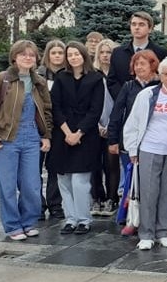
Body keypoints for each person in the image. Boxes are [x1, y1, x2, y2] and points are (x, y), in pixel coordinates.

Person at [0, 40, 52, 241]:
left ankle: (28, 222)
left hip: (31, 138)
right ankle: (12, 226)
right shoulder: (0, 80)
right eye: (23, 54)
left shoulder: (39, 82)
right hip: (6, 140)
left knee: (32, 185)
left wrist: (46, 135)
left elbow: (46, 111)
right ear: (14, 57)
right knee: (7, 186)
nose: (27, 58)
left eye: (31, 55)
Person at [122, 57, 167, 250]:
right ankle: (146, 234)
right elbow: (132, 123)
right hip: (149, 149)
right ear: (160, 75)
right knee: (149, 193)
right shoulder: (147, 95)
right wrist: (132, 149)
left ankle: (163, 231)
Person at [48, 41, 105, 235]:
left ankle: (83, 219)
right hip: (62, 134)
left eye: (76, 54)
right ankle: (70, 218)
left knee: (80, 182)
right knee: (64, 180)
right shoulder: (61, 77)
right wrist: (67, 133)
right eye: (70, 54)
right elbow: (55, 107)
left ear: (83, 55)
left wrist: (78, 133)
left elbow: (95, 110)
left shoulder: (96, 78)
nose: (73, 57)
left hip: (86, 136)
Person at [107, 49, 162, 230]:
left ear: (153, 65)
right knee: (132, 183)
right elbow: (117, 114)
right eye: (136, 64)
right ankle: (131, 218)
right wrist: (113, 140)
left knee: (151, 184)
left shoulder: (161, 86)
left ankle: (152, 220)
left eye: (142, 64)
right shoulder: (129, 87)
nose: (138, 67)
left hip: (155, 143)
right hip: (132, 143)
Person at [106, 11, 167, 100]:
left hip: (152, 103)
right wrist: (124, 98)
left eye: (141, 24)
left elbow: (166, 80)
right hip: (124, 104)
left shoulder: (162, 54)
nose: (136, 27)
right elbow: (112, 81)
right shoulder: (118, 53)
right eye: (133, 24)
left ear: (150, 29)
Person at [36, 38, 66, 220]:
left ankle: (55, 204)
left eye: (60, 53)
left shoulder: (68, 75)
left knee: (55, 168)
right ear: (47, 55)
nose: (57, 56)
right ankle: (37, 205)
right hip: (39, 128)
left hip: (60, 128)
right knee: (34, 169)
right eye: (53, 52)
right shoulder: (37, 76)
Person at [90, 38, 118, 218]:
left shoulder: (118, 76)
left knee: (111, 165)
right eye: (103, 52)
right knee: (94, 164)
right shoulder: (93, 75)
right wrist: (98, 124)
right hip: (94, 126)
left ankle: (111, 198)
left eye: (109, 52)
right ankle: (97, 197)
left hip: (112, 126)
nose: (106, 55)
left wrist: (109, 125)